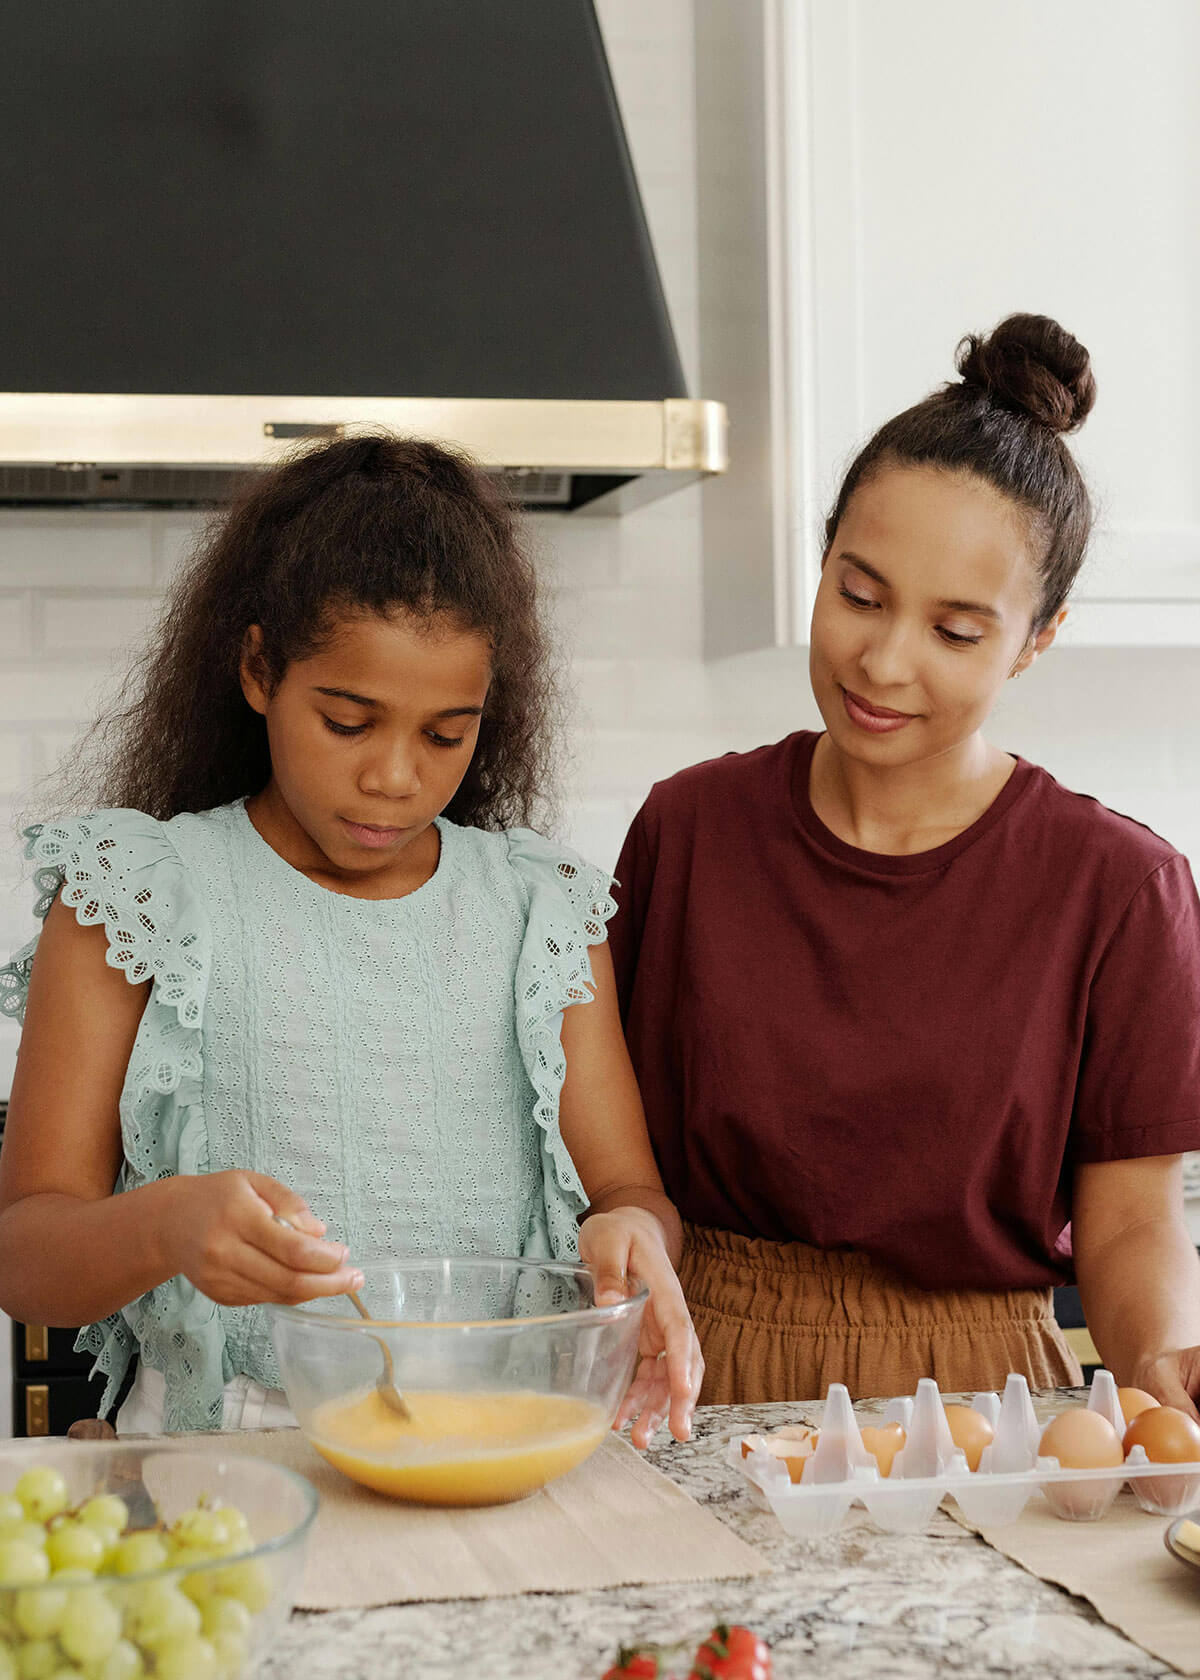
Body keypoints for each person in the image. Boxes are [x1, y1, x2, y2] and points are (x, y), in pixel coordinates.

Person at [0, 433, 701, 1444]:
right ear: (258, 671)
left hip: (492, 1431)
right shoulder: (140, 897)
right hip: (225, 1448)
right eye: (348, 722)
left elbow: (628, 1192)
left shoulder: (537, 911)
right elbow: (26, 1254)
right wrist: (164, 1226)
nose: (394, 778)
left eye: (443, 734)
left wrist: (634, 1229)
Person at [609, 314, 1200, 1415]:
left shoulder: (1122, 889)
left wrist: (1163, 1361)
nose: (883, 662)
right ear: (823, 557)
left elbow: (1131, 1224)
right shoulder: (687, 832)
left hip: (987, 1406)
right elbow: (616, 1165)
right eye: (860, 595)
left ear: (1038, 637)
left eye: (958, 632)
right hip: (698, 1378)